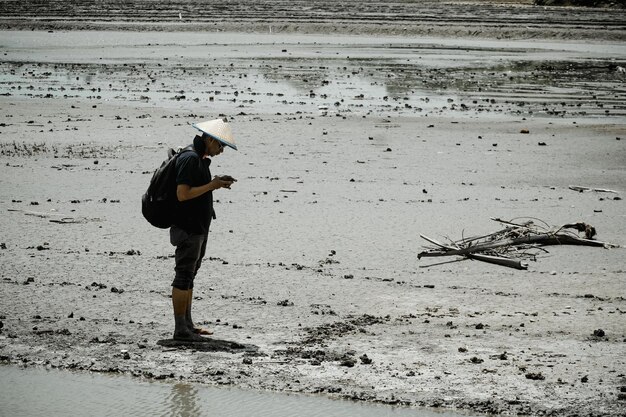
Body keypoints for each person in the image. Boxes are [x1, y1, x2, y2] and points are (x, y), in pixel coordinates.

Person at [170, 118, 238, 341]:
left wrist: (216, 183)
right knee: (183, 276)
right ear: (209, 139)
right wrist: (213, 185)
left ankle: (188, 325)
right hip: (188, 228)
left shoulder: (199, 159)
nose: (221, 151)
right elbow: (182, 194)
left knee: (190, 275)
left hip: (197, 227)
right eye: (220, 145)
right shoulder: (190, 159)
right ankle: (181, 330)